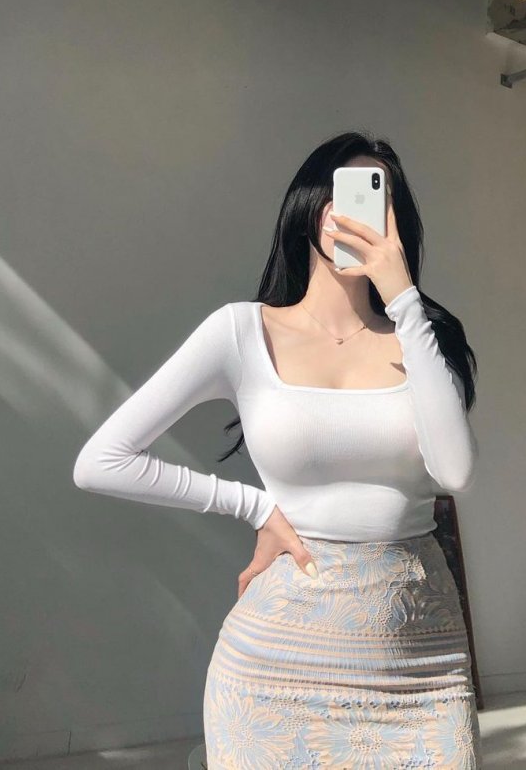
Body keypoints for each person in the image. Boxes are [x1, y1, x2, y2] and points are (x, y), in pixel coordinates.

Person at [73, 131, 482, 768]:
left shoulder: (425, 337)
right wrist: (253, 507)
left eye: (378, 200)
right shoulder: (241, 331)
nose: (356, 214)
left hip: (421, 667)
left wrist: (404, 300)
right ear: (308, 208)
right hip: (274, 672)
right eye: (342, 195)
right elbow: (101, 461)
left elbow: (455, 472)